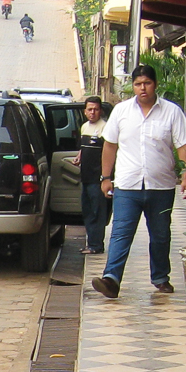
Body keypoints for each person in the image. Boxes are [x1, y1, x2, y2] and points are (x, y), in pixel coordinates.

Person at [92, 63, 186, 298]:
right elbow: (110, 145)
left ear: (155, 84)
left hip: (161, 186)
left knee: (160, 235)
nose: (142, 88)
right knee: (121, 232)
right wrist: (106, 177)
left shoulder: (171, 112)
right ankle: (111, 279)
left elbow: (183, 145)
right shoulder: (121, 111)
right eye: (138, 84)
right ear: (133, 86)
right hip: (127, 186)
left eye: (147, 83)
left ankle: (160, 277)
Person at [78, 96, 110, 254]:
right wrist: (80, 156)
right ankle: (91, 243)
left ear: (101, 111)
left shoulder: (105, 128)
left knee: (98, 213)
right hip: (85, 177)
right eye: (90, 109)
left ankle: (96, 245)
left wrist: (106, 177)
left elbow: (109, 152)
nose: (92, 112)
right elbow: (84, 148)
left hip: (98, 179)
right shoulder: (84, 127)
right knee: (88, 212)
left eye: (96, 109)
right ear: (85, 111)